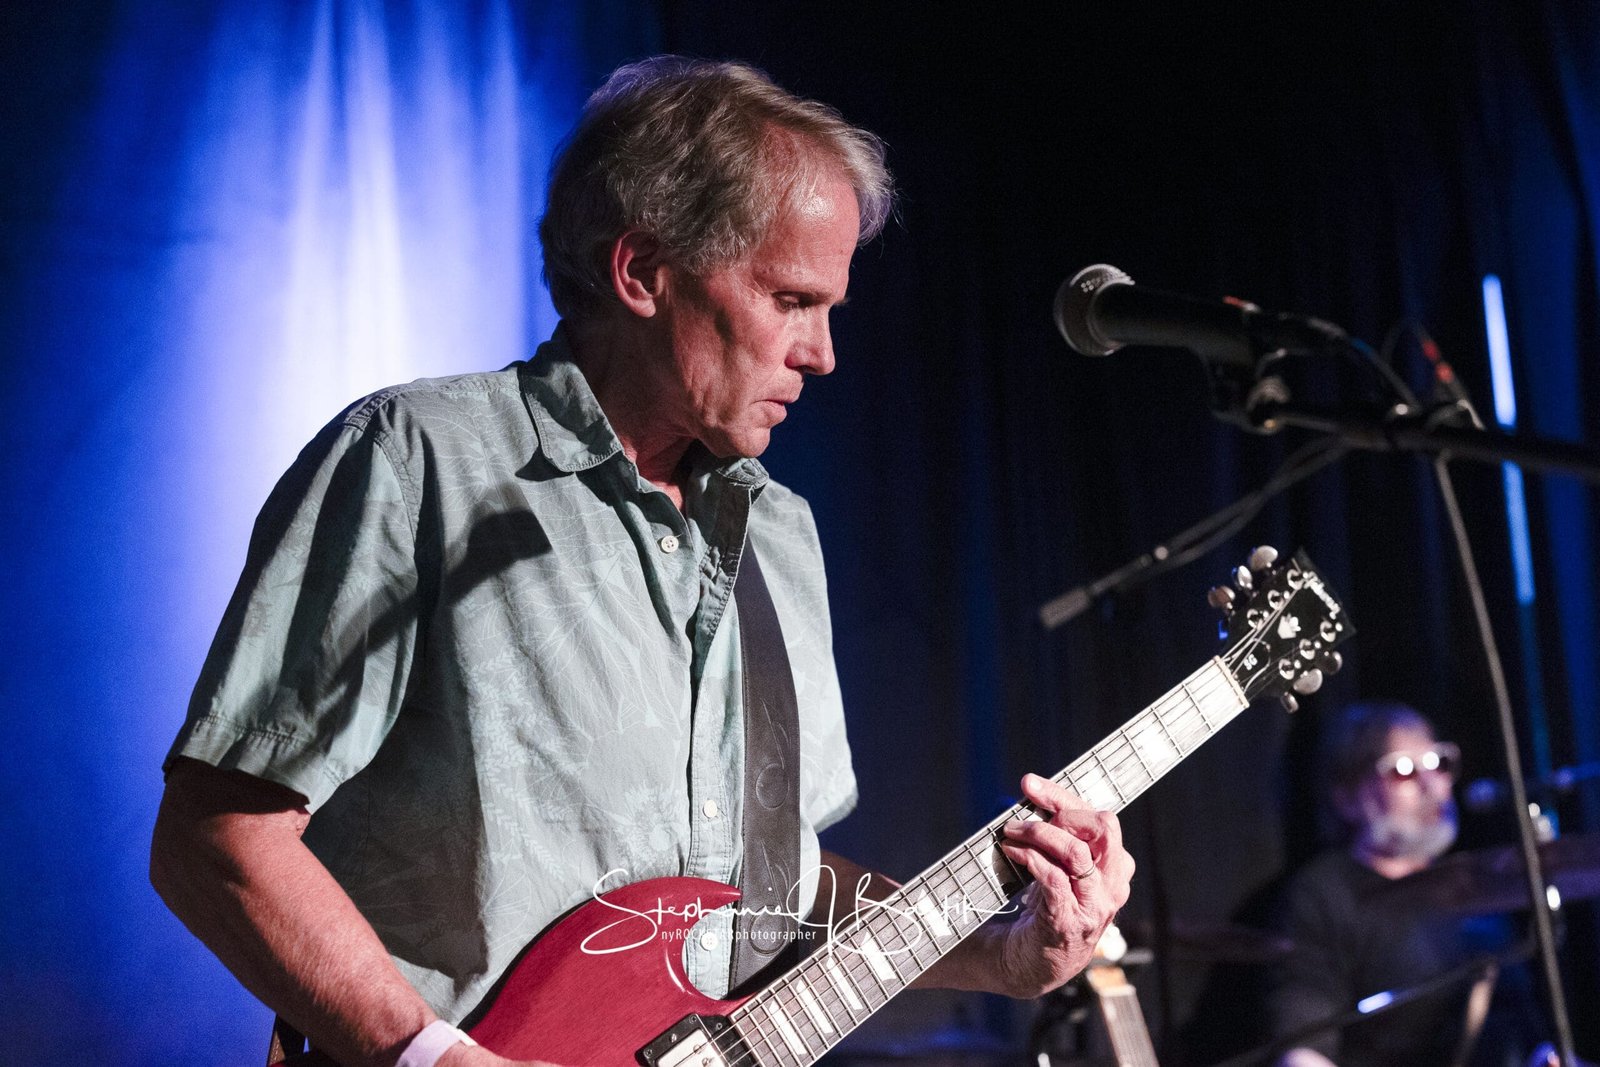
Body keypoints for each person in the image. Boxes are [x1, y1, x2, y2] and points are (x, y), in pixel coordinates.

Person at [149, 57, 1134, 1067]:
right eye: (791, 298)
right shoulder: (420, 462)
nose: (822, 352)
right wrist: (426, 1053)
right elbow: (215, 836)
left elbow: (776, 892)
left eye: (830, 307)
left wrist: (998, 950)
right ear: (642, 272)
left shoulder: (779, 534)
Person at [1267, 701, 1532, 1067]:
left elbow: (1521, 1035)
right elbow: (1303, 1051)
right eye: (1402, 771)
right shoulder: (1323, 895)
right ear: (1347, 797)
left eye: (1439, 763)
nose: (1431, 786)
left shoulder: (1475, 889)